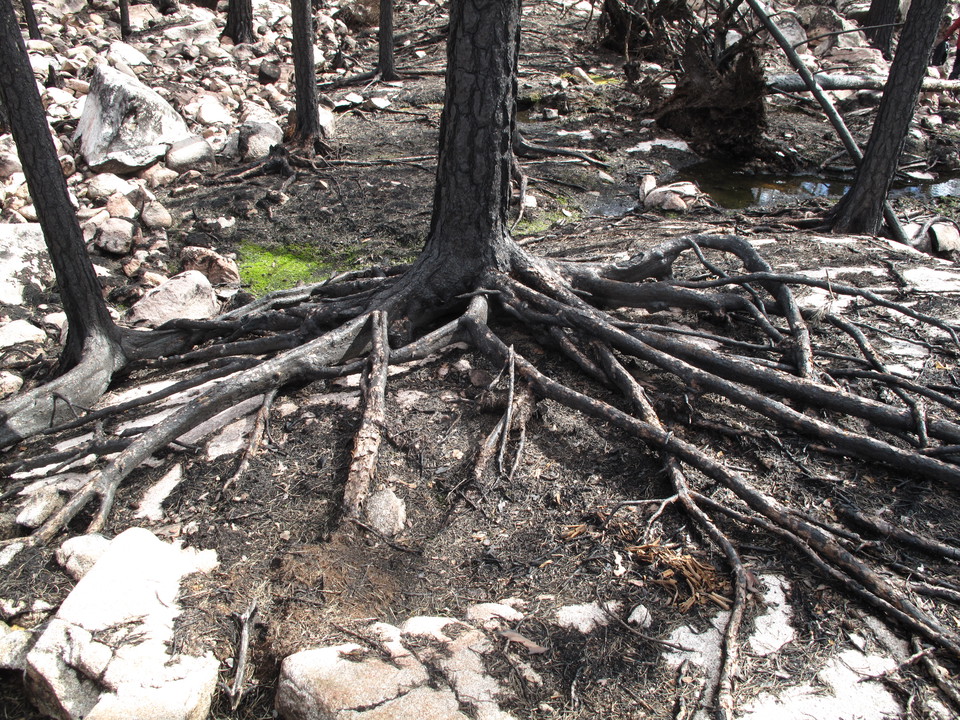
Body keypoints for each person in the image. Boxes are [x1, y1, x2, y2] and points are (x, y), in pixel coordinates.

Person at [938, 15, 960, 79]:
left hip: (959, 47)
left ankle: (952, 80)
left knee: (957, 63)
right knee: (957, 67)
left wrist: (946, 37)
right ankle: (952, 77)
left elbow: (953, 27)